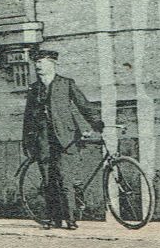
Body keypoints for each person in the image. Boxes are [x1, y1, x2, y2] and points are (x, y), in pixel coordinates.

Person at [21, 49, 104, 230]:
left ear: (52, 64)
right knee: (49, 181)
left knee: (65, 179)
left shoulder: (66, 84)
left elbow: (84, 105)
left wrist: (97, 124)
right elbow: (28, 118)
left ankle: (71, 219)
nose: (38, 66)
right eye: (36, 63)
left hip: (65, 139)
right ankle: (53, 219)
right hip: (42, 140)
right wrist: (26, 143)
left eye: (41, 63)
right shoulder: (34, 89)